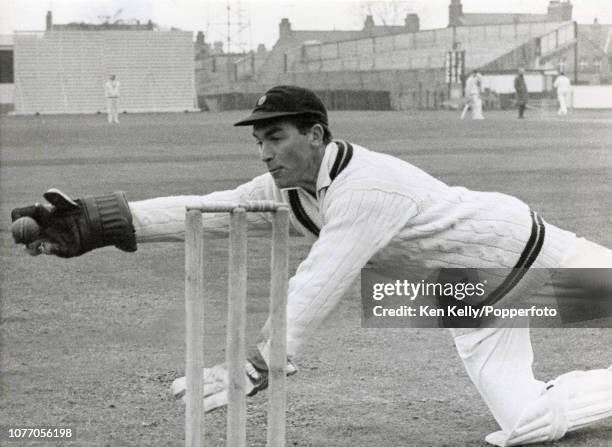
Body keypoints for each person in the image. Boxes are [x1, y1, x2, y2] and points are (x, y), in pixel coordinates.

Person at [9, 85, 612, 446]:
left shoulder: (367, 186)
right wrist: (100, 221)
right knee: (525, 425)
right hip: (462, 294)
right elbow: (218, 210)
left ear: (317, 134)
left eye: (276, 137)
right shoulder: (294, 186)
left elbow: (324, 274)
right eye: (259, 142)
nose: (266, 152)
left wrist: (269, 356)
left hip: (533, 256)